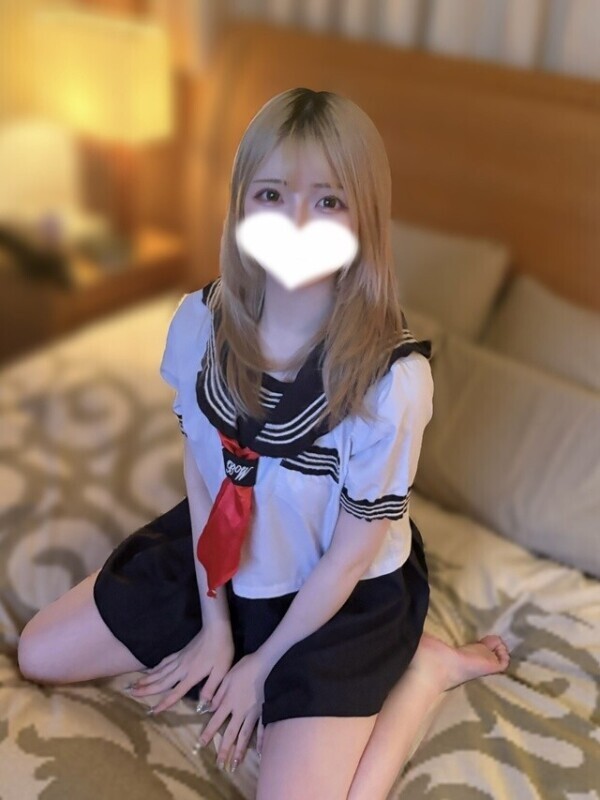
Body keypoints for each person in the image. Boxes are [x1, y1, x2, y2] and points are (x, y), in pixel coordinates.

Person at [17, 88, 510, 800]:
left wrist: (262, 666)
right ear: (241, 205)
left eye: (329, 201)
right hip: (225, 551)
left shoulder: (392, 384)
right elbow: (201, 468)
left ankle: (424, 673)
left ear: (366, 218)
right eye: (272, 194)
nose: (296, 224)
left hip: (334, 593)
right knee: (39, 653)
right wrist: (215, 627)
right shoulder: (199, 323)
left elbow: (351, 556)